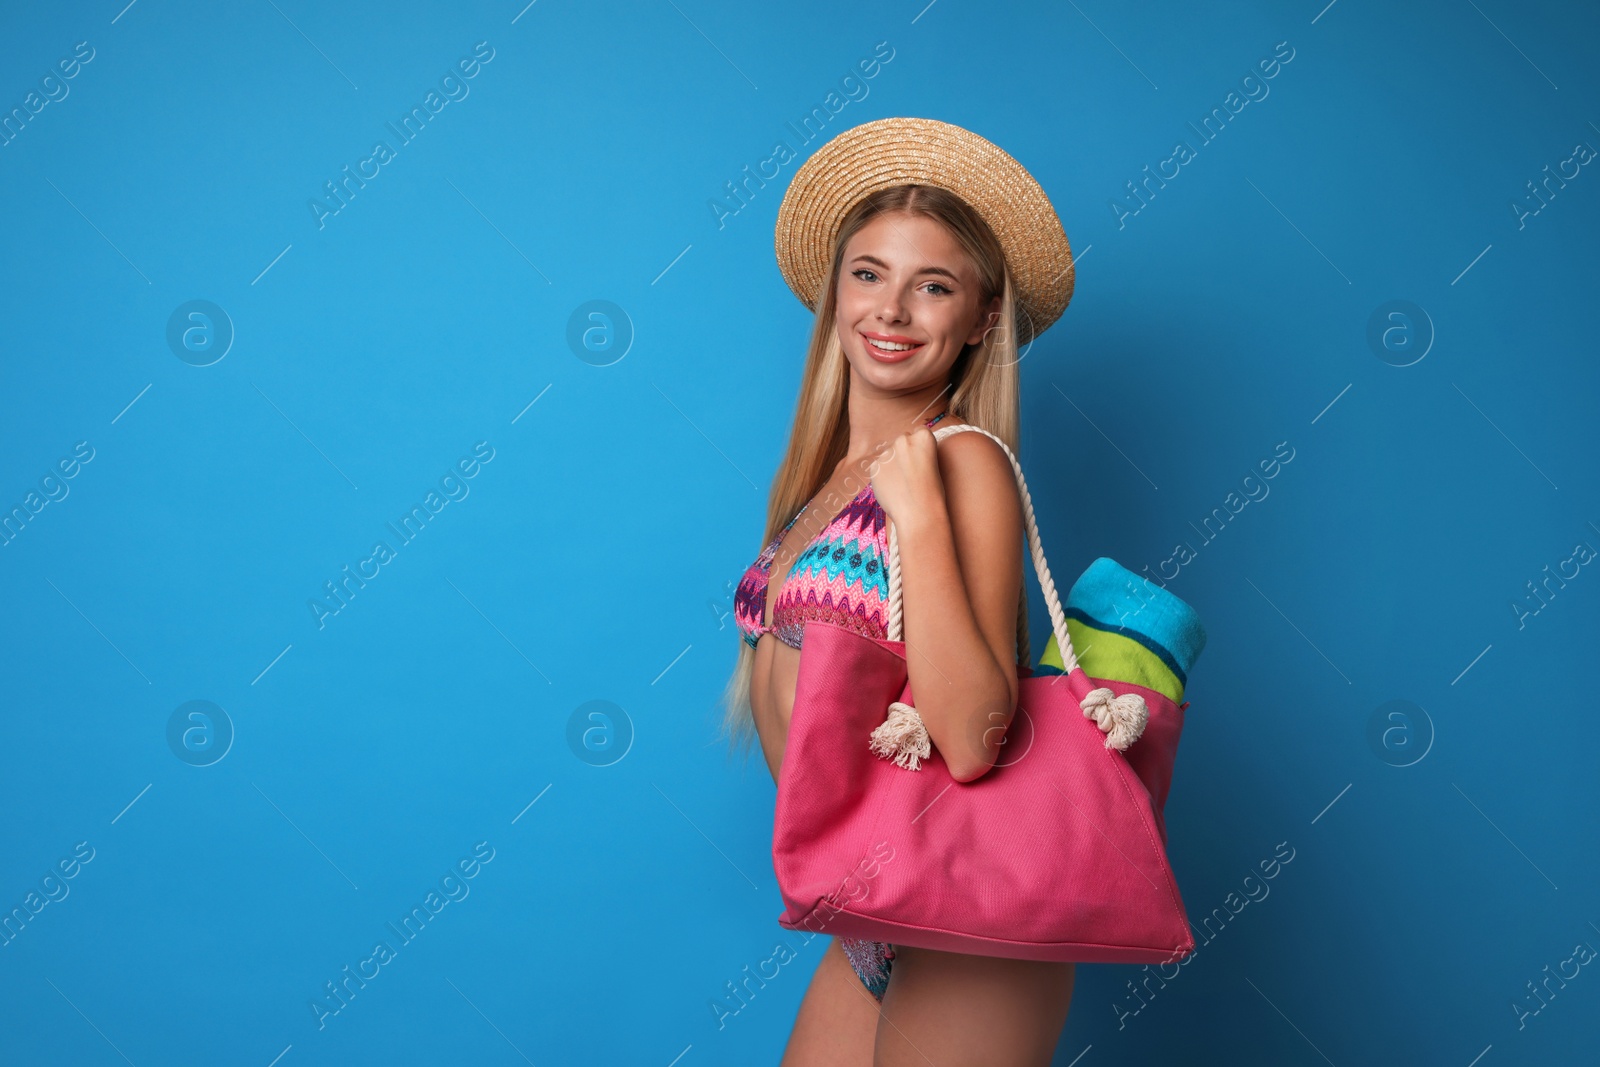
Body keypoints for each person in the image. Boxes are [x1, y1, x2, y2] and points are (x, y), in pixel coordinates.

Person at [720, 117, 1078, 1066]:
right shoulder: (813, 485)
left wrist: (917, 510)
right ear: (836, 292)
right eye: (870, 273)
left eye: (934, 285)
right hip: (874, 897)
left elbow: (971, 738)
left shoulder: (963, 465)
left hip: (968, 912)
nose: (892, 310)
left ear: (983, 319)